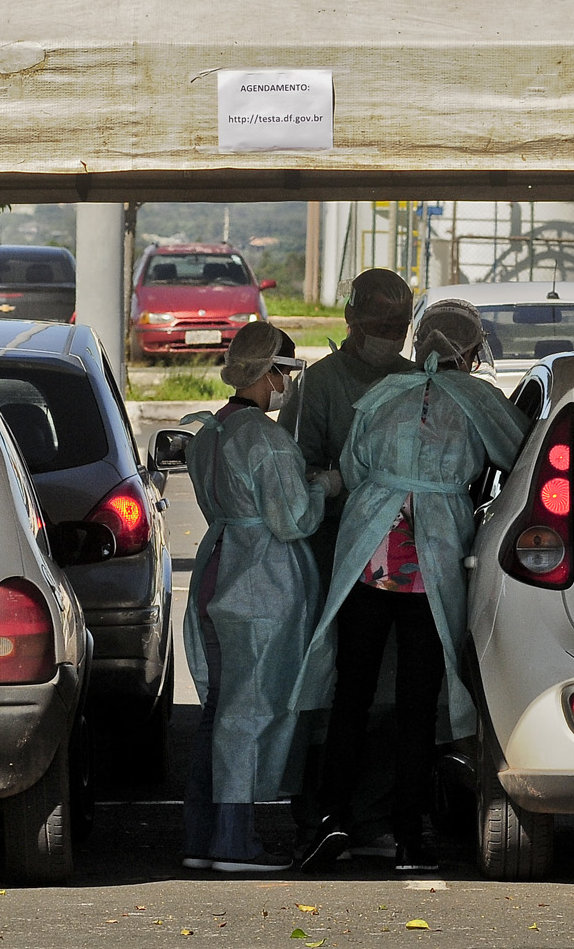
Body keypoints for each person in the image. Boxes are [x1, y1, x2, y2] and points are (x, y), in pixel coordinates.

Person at [294, 300, 528, 873]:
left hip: (368, 554)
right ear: (470, 351)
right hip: (433, 557)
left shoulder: (380, 393)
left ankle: (332, 819)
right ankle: (407, 835)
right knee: (418, 702)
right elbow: (521, 458)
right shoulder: (481, 400)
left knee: (352, 691)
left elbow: (351, 464)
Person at [181, 322, 330, 874]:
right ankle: (233, 840)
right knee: (251, 709)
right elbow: (293, 519)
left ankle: (201, 834)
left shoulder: (210, 432)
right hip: (260, 581)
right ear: (268, 374)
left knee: (220, 708)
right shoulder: (266, 440)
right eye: (285, 374)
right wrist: (323, 487)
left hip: (219, 568)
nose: (287, 384)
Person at [278, 269, 416, 577]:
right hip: (336, 537)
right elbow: (290, 470)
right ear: (350, 315)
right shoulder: (318, 384)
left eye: (400, 328)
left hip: (407, 542)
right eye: (382, 326)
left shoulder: (415, 380)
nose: (391, 337)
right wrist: (329, 484)